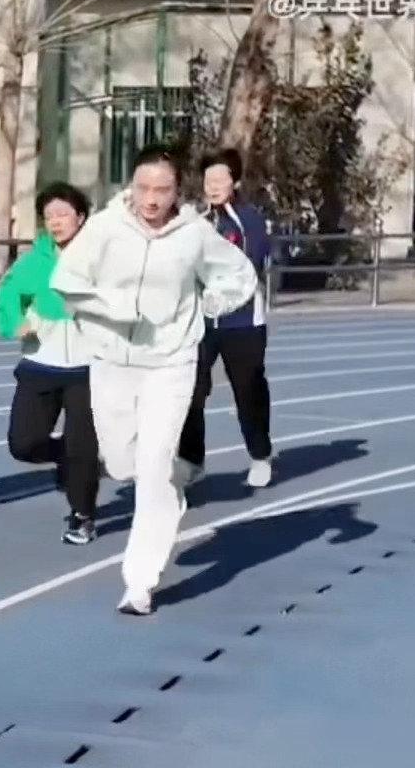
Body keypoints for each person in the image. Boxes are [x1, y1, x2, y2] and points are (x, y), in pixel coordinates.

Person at [49, 145, 258, 616]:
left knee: (155, 466)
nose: (151, 199)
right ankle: (168, 485)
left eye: (162, 190)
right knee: (122, 462)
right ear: (131, 186)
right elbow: (68, 281)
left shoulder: (194, 234)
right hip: (113, 360)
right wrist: (113, 310)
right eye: (144, 188)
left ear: (177, 191)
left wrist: (213, 304)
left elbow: (239, 274)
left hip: (171, 361)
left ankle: (139, 583)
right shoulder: (105, 228)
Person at [0, 182, 100, 545]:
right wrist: (15, 322)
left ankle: (82, 515)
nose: (55, 222)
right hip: (41, 363)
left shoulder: (99, 258)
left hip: (89, 368)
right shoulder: (33, 262)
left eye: (63, 214)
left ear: (80, 217)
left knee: (83, 446)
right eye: (49, 216)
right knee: (23, 444)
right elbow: (8, 296)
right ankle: (66, 458)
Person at [176, 147, 275, 488]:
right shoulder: (196, 222)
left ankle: (260, 455)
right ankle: (192, 460)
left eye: (221, 179)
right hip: (200, 322)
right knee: (190, 390)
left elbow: (252, 264)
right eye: (208, 180)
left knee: (248, 390)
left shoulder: (249, 221)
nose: (213, 186)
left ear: (235, 182)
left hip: (243, 322)